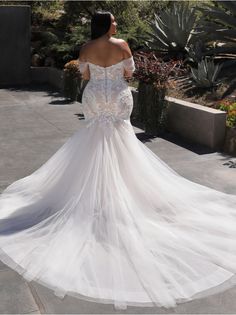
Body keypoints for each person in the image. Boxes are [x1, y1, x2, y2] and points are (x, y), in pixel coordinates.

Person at [0, 10, 236, 312]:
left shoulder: (86, 48)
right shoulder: (123, 44)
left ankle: (97, 194)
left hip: (95, 96)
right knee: (121, 141)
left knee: (95, 139)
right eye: (113, 20)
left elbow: (84, 75)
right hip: (120, 97)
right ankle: (125, 193)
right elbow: (129, 74)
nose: (116, 23)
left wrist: (99, 75)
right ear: (107, 25)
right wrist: (115, 74)